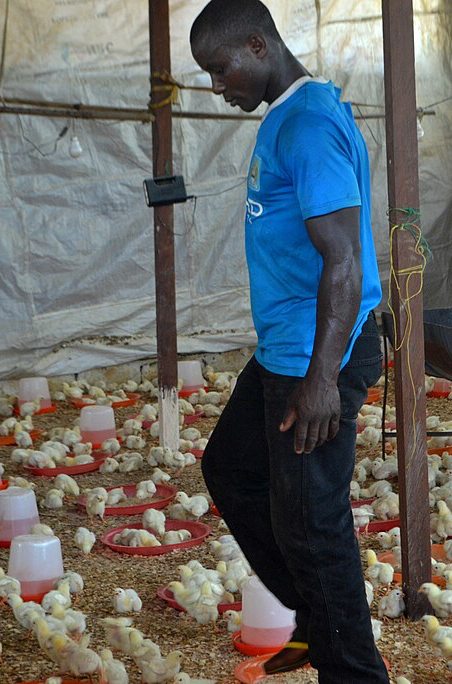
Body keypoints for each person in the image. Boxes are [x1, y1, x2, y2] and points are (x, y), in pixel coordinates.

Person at [190, 1, 389, 681]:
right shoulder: (289, 116)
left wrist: (322, 380)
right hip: (287, 349)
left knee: (314, 525)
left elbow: (344, 261)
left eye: (221, 70)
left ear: (257, 44)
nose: (219, 87)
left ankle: (354, 673)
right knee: (232, 467)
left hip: (317, 356)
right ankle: (313, 616)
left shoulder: (306, 126)